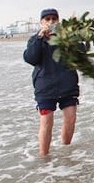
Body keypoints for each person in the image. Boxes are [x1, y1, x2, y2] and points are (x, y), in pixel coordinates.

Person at [23, 8, 80, 156]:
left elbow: (80, 53)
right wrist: (39, 37)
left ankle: (66, 152)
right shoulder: (35, 39)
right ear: (41, 22)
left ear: (58, 21)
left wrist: (68, 37)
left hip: (67, 84)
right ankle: (44, 158)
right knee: (46, 122)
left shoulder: (66, 37)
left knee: (71, 118)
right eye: (47, 19)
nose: (50, 22)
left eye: (54, 19)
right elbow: (30, 58)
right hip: (45, 87)